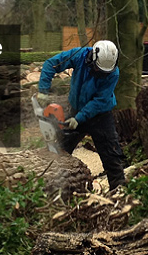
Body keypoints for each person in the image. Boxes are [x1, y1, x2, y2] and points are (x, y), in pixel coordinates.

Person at [36, 40, 127, 190]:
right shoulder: (79, 55)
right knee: (60, 150)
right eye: (99, 68)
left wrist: (79, 118)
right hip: (76, 109)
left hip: (100, 115)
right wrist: (43, 90)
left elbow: (100, 100)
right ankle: (52, 187)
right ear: (93, 58)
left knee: (111, 155)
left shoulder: (113, 73)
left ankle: (119, 191)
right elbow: (50, 64)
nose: (100, 72)